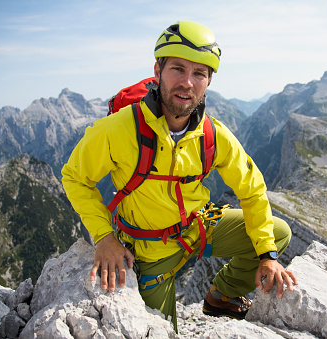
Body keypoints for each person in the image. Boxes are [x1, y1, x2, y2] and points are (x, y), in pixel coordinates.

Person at [61, 20, 298, 332]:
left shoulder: (214, 136)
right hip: (149, 252)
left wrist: (267, 256)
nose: (188, 82)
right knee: (162, 332)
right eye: (178, 69)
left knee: (278, 233)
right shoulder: (116, 130)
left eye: (199, 73)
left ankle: (221, 297)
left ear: (208, 81)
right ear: (158, 71)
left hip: (196, 229)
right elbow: (75, 178)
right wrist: (104, 237)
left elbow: (252, 190)